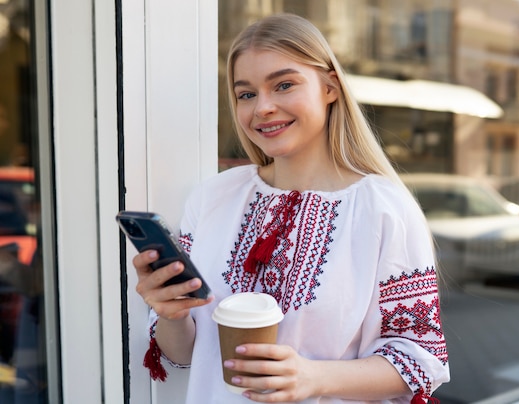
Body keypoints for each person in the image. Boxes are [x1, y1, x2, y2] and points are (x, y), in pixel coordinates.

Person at [133, 13, 449, 404]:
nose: (263, 107)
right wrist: (171, 313)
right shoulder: (213, 197)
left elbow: (421, 359)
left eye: (283, 85)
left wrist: (314, 377)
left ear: (330, 87)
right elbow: (181, 355)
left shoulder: (384, 209)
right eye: (246, 93)